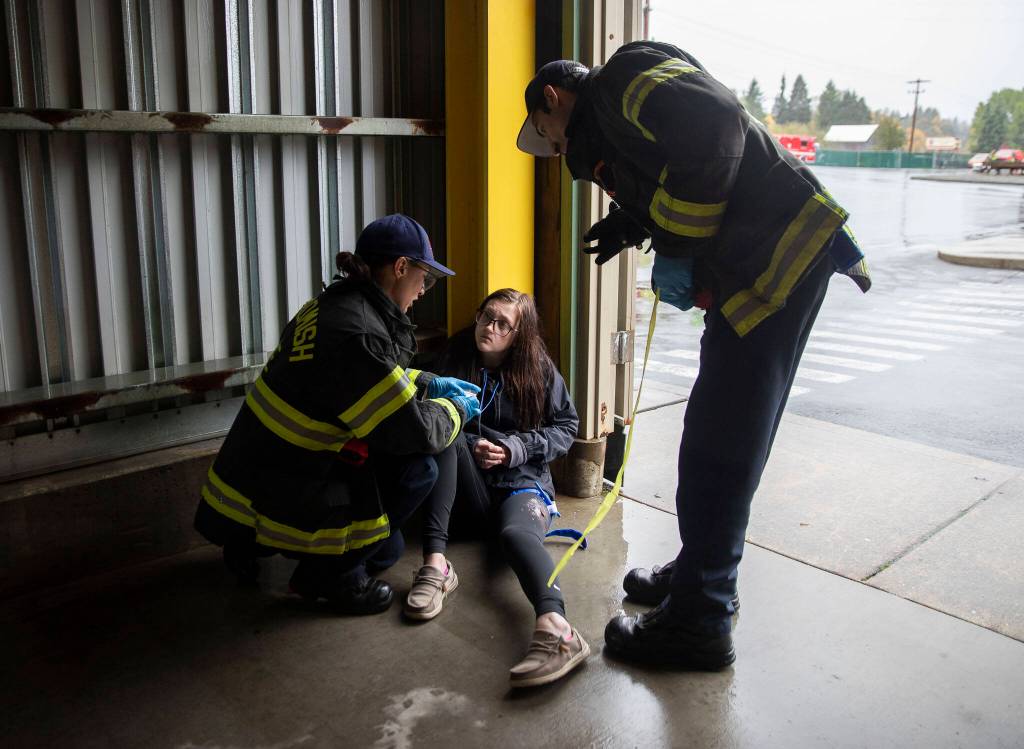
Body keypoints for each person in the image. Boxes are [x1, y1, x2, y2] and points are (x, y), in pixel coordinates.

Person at [517, 42, 871, 668]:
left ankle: (702, 617)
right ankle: (699, 571)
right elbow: (677, 167)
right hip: (757, 270)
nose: (555, 147)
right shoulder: (617, 114)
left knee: (719, 444)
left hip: (773, 264)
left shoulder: (624, 78)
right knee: (722, 435)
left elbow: (716, 132)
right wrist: (635, 223)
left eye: (547, 134)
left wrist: (677, 243)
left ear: (552, 99)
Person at [194, 214, 481, 615]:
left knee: (391, 544)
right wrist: (455, 407)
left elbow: (368, 380)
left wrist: (426, 382)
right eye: (424, 278)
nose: (422, 291)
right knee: (418, 476)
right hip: (299, 475)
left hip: (254, 468)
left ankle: (249, 543)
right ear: (400, 268)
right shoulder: (359, 333)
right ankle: (328, 577)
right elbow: (412, 432)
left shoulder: (333, 306)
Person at [402, 288, 587, 688]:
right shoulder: (456, 353)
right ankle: (436, 566)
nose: (490, 327)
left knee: (516, 536)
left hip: (521, 483)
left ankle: (558, 630)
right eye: (487, 316)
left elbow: (566, 428)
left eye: (504, 323)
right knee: (446, 429)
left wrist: (513, 448)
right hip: (467, 489)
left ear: (519, 334)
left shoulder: (538, 367)